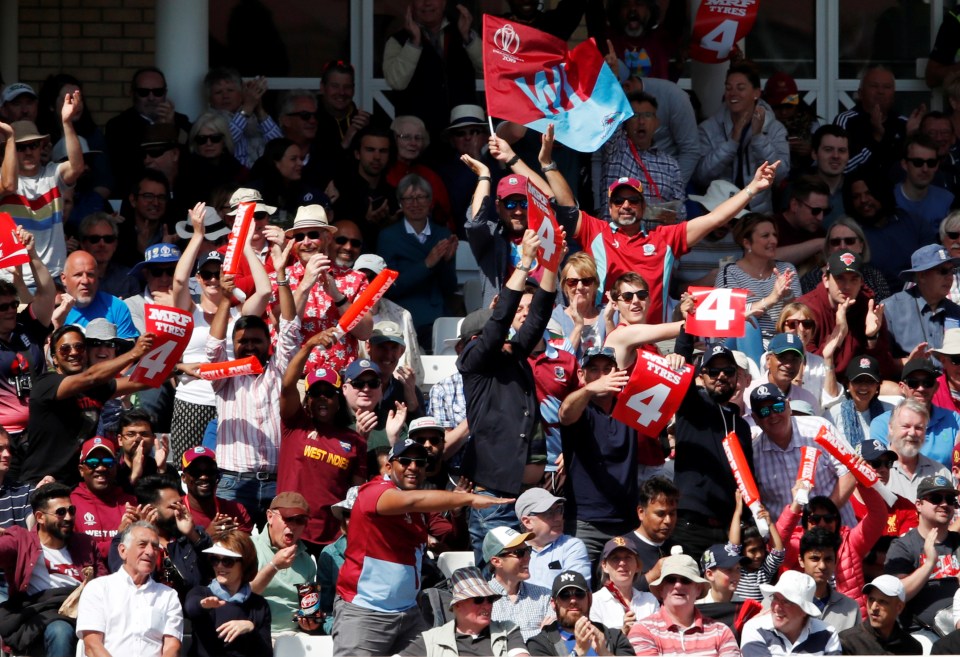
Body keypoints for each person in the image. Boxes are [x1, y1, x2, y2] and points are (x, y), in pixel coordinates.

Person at [541, 127, 779, 323]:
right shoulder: (596, 231)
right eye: (618, 200)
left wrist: (752, 189)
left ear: (643, 207)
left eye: (633, 200)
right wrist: (548, 164)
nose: (625, 205)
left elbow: (714, 219)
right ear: (609, 206)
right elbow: (567, 207)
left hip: (657, 339)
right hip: (608, 334)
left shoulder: (664, 238)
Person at [332, 438, 512, 656]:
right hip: (366, 613)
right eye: (405, 461)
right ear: (389, 466)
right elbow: (412, 501)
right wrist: (468, 500)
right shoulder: (373, 490)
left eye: (420, 462)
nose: (413, 467)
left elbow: (446, 539)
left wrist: (456, 513)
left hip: (409, 614)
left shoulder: (419, 509)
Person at [457, 230, 557, 557]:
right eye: (491, 335)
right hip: (494, 498)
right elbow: (499, 322)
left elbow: (537, 319)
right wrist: (525, 263)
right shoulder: (474, 361)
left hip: (526, 496)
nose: (505, 336)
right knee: (497, 577)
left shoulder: (510, 355)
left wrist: (552, 265)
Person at [205, 225, 290, 524]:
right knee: (232, 554)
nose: (250, 346)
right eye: (243, 342)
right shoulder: (225, 377)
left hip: (278, 481)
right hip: (232, 483)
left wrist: (281, 277)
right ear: (234, 345)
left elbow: (290, 330)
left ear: (269, 344)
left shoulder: (278, 371)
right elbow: (213, 348)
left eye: (257, 341)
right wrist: (226, 301)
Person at [23, 326, 153, 486]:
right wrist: (134, 353)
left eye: (79, 347)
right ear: (54, 358)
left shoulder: (95, 389)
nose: (73, 352)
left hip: (77, 484)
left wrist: (179, 369)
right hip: (42, 483)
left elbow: (144, 380)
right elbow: (91, 377)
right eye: (65, 348)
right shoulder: (46, 384)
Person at [279, 329, 368, 552]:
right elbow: (288, 385)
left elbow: (354, 495)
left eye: (328, 393)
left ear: (338, 400)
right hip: (292, 531)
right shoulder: (294, 425)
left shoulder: (355, 441)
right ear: (307, 400)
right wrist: (308, 347)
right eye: (315, 393)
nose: (322, 399)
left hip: (332, 537)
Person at [665, 343, 754, 557]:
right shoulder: (692, 404)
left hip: (727, 530)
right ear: (702, 376)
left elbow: (747, 478)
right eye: (714, 371)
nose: (721, 376)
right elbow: (683, 370)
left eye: (728, 371)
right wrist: (686, 326)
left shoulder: (741, 426)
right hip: (689, 527)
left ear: (737, 377)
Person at [0, 482, 107, 657]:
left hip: (85, 611)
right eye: (60, 512)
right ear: (40, 517)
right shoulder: (22, 540)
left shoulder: (85, 543)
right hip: (42, 614)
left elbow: (104, 583)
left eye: (71, 511)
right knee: (60, 630)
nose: (68, 517)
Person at [558, 346, 640, 556]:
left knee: (623, 588)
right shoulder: (580, 407)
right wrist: (589, 389)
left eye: (607, 369)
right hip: (585, 523)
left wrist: (679, 353)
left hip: (627, 522)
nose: (601, 376)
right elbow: (565, 414)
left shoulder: (632, 407)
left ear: (618, 372)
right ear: (581, 374)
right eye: (593, 369)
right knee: (580, 587)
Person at [279, 204, 373, 377]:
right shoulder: (279, 279)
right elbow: (283, 328)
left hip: (343, 381)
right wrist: (305, 285)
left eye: (313, 235)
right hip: (297, 381)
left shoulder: (355, 278)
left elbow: (365, 331)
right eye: (300, 237)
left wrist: (337, 296)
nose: (306, 242)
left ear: (328, 237)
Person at [749, 383, 857, 527]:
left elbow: (849, 471)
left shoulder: (819, 428)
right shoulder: (754, 454)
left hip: (838, 531)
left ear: (788, 406)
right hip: (791, 543)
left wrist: (824, 516)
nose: (773, 415)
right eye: (764, 412)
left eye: (778, 407)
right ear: (755, 418)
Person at [2, 97, 84, 281]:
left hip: (52, 277)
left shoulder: (52, 173)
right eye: (20, 147)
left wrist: (67, 122)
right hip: (11, 280)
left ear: (42, 147)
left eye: (33, 145)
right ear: (9, 150)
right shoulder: (2, 179)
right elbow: (8, 185)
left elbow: (77, 167)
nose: (28, 152)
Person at [695, 62, 791, 214]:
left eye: (740, 88)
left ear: (756, 93)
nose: (733, 93)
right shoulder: (708, 128)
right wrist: (732, 142)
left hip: (757, 217)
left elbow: (780, 175)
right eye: (728, 88)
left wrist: (759, 138)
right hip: (720, 215)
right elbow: (701, 177)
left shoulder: (774, 128)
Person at [76, 520, 183, 657]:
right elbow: (92, 645)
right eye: (142, 545)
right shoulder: (98, 589)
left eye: (155, 547)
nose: (150, 552)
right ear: (122, 551)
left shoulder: (168, 595)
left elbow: (172, 647)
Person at [378, 174, 458, 350]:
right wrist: (426, 264)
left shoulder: (442, 234)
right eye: (409, 198)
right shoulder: (389, 237)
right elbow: (390, 288)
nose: (415, 204)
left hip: (437, 314)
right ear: (400, 203)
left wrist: (446, 262)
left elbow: (449, 288)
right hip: (402, 313)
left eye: (421, 197)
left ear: (430, 202)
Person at [382, 0, 481, 138]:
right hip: (417, 138)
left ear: (444, 3)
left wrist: (467, 37)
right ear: (412, 4)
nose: (427, 3)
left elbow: (488, 69)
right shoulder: (398, 40)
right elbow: (396, 82)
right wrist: (413, 43)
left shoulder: (462, 31)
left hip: (461, 134)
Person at [797, 249, 898, 380]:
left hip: (858, 384)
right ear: (826, 280)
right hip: (819, 386)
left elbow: (884, 371)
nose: (847, 286)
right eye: (840, 278)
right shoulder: (806, 310)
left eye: (854, 279)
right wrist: (839, 334)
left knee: (894, 392)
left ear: (861, 282)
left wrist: (872, 338)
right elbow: (807, 372)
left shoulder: (869, 308)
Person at [884, 475, 960, 632]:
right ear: (918, 505)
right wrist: (929, 565)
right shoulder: (903, 546)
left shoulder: (958, 542)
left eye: (950, 499)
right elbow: (896, 594)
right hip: (919, 633)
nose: (944, 504)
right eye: (936, 498)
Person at [401, 566, 530, 657]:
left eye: (490, 600)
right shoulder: (431, 639)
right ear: (458, 605)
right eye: (478, 600)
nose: (487, 605)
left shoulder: (508, 630)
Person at [628, 552, 740, 656]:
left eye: (686, 580)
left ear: (698, 589)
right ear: (661, 589)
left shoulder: (721, 631)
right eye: (671, 580)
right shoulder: (643, 629)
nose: (678, 585)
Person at [600, 91, 686, 224]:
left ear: (657, 122)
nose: (641, 122)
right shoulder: (616, 150)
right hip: (616, 240)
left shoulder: (670, 165)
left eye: (648, 115)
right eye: (635, 116)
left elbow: (681, 212)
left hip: (655, 241)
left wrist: (673, 217)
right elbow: (611, 116)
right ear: (625, 122)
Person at [185, 533, 273, 657]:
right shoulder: (201, 593)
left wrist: (250, 628)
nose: (219, 566)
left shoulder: (259, 605)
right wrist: (203, 605)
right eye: (215, 560)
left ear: (245, 563)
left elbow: (266, 653)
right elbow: (191, 607)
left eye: (227, 561)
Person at [716, 213, 800, 338]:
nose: (774, 241)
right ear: (747, 243)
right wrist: (772, 299)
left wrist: (788, 295)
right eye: (765, 236)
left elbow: (800, 315)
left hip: (782, 346)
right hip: (743, 346)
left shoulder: (786, 270)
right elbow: (727, 317)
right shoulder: (730, 272)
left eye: (774, 235)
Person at [249, 492, 319, 636]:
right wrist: (274, 565)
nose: (293, 526)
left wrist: (310, 622)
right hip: (255, 632)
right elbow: (242, 595)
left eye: (300, 520)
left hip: (293, 634)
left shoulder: (307, 561)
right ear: (270, 516)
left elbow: (310, 612)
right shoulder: (249, 547)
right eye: (288, 519)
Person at [871, 362, 960, 473]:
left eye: (927, 383)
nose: (921, 388)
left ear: (936, 387)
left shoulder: (954, 419)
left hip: (943, 486)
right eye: (913, 383)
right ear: (902, 387)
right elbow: (881, 466)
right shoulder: (882, 423)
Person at [528, 570, 635, 656]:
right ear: (553, 603)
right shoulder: (539, 644)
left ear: (589, 598)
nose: (573, 600)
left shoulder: (614, 637)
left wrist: (604, 652)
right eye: (565, 595)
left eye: (579, 594)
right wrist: (578, 651)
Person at [740, 570, 842, 655]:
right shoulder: (755, 628)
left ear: (804, 611)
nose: (777, 607)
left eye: (787, 602)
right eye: (775, 598)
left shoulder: (828, 633)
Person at [884, 244, 960, 358]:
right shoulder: (891, 308)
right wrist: (907, 363)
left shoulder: (957, 312)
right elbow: (881, 361)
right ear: (922, 275)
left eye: (952, 271)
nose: (950, 277)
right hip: (907, 375)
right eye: (943, 271)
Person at [833, 65, 908, 177]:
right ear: (860, 93)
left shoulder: (903, 123)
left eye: (887, 87)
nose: (880, 91)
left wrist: (912, 136)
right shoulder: (846, 120)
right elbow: (841, 167)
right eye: (874, 86)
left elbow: (911, 168)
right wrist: (876, 139)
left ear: (893, 95)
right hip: (856, 190)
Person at [480, 526, 552, 642]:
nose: (528, 557)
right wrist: (541, 634)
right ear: (497, 561)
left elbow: (554, 639)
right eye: (520, 553)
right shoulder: (480, 600)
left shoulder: (545, 595)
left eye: (528, 550)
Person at [71, 436, 137, 559]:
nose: (101, 468)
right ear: (81, 470)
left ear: (116, 467)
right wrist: (120, 538)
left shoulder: (131, 502)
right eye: (93, 463)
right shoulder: (70, 504)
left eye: (108, 462)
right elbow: (76, 553)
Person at [798, 216, 892, 300]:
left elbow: (886, 312)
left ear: (861, 246)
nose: (842, 247)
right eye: (835, 242)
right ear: (828, 248)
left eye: (849, 241)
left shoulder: (874, 275)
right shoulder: (811, 279)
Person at [516, 488, 591, 590]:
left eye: (559, 510)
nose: (558, 518)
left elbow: (575, 592)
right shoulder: (512, 552)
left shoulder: (571, 546)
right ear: (527, 522)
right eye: (549, 513)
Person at [205, 67, 280, 169]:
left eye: (230, 90)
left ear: (241, 93)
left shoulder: (253, 116)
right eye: (218, 92)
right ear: (210, 99)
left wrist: (259, 111)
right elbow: (225, 142)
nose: (225, 96)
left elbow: (281, 146)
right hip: (233, 181)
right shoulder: (207, 121)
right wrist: (247, 107)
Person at [796, 527, 861, 631]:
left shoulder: (851, 609)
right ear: (801, 560)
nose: (822, 566)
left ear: (836, 561)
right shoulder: (780, 600)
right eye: (815, 559)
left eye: (828, 559)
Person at [838, 575, 923, 655]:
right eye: (871, 599)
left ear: (899, 607)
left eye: (882, 601)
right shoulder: (847, 641)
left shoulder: (913, 647)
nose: (874, 607)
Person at [591, 536, 659, 636]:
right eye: (615, 558)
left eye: (628, 557)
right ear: (604, 566)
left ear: (638, 565)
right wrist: (622, 633)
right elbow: (594, 644)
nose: (622, 563)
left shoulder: (650, 601)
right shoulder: (594, 602)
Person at [825, 355, 894, 452]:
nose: (864, 387)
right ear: (847, 384)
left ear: (877, 385)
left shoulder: (891, 412)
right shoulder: (832, 415)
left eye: (870, 381)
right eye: (858, 381)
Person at [181, 446, 253, 536]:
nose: (204, 477)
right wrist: (208, 537)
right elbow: (173, 549)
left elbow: (247, 548)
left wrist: (233, 538)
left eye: (210, 471)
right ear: (183, 478)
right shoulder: (177, 512)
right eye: (196, 472)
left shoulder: (236, 510)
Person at [895, 134, 954, 235]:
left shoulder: (947, 200)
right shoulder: (889, 200)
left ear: (937, 165)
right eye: (918, 162)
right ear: (904, 164)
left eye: (931, 163)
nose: (925, 169)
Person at [630, 477, 679, 593]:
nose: (668, 520)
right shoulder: (620, 549)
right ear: (641, 513)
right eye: (660, 514)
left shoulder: (683, 549)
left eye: (672, 513)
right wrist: (652, 575)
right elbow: (610, 592)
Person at [772, 175, 830, 271]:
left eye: (826, 211)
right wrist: (817, 244)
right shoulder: (770, 227)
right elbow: (765, 261)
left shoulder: (820, 232)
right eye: (815, 210)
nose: (820, 217)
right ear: (794, 205)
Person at [77, 213, 139, 300]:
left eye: (108, 239)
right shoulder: (71, 278)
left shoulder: (128, 278)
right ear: (83, 244)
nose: (102, 244)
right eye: (95, 239)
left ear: (115, 245)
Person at [809, 125, 850, 228]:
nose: (836, 156)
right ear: (814, 153)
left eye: (842, 150)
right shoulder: (797, 189)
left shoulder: (856, 191)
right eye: (828, 150)